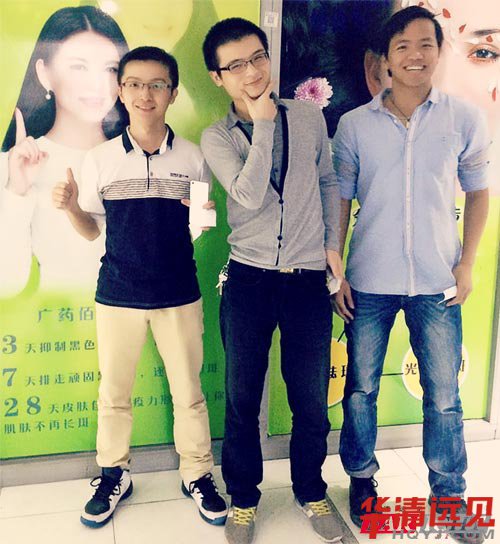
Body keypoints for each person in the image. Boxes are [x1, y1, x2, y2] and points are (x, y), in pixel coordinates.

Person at [52, 46, 227, 529]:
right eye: (134, 84)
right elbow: (92, 230)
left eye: (156, 85)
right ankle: (114, 474)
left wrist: (193, 226)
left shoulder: (193, 157)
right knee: (114, 394)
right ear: (120, 91)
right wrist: (71, 207)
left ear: (172, 92)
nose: (144, 94)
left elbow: (200, 226)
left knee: (189, 392)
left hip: (179, 293)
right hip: (117, 294)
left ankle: (197, 474)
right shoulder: (100, 159)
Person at [332, 7, 490, 544]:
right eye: (402, 46)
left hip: (437, 281)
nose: (415, 55)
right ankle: (362, 481)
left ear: (439, 53)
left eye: (426, 44)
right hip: (368, 279)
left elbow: (479, 193)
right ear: (385, 60)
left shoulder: (464, 119)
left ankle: (449, 499)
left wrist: (467, 263)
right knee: (360, 390)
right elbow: (340, 199)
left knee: (444, 396)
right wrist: (336, 268)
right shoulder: (355, 125)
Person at [201, 17, 344, 544]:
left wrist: (332, 245)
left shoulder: (307, 117)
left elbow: (327, 179)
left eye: (258, 57)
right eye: (236, 65)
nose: (252, 72)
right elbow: (247, 194)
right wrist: (261, 125)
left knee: (310, 399)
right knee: (243, 399)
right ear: (218, 77)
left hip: (306, 281)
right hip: (249, 281)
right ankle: (243, 498)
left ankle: (310, 490)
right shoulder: (217, 136)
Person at [0, 6, 129, 296]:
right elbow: (7, 284)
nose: (97, 84)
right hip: (58, 319)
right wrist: (17, 191)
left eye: (110, 69)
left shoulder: (135, 158)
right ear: (44, 73)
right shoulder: (14, 165)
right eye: (79, 67)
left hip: (136, 318)